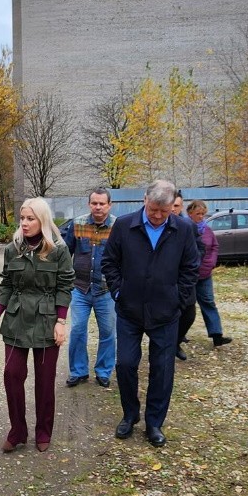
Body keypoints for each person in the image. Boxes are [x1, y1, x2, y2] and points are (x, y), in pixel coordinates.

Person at [101, 180, 200, 447]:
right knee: (125, 364)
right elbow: (109, 262)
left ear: (172, 208)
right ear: (145, 200)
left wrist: (178, 299)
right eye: (154, 209)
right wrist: (118, 292)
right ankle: (130, 414)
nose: (157, 216)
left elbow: (191, 267)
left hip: (166, 313)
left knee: (162, 369)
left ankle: (154, 422)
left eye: (164, 211)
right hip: (130, 310)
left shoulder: (183, 230)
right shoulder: (124, 225)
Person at [0, 198, 74, 453]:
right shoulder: (13, 248)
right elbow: (7, 283)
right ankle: (17, 430)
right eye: (22, 218)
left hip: (47, 320)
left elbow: (65, 286)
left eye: (30, 218)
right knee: (12, 374)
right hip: (16, 320)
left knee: (45, 380)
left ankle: (44, 430)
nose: (25, 223)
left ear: (42, 220)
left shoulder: (58, 249)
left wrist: (61, 322)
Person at [61, 187, 117, 388]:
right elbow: (66, 253)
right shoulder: (78, 224)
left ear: (109, 205)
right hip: (80, 288)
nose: (98, 207)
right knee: (77, 330)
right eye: (94, 203)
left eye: (102, 203)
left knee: (108, 331)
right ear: (89, 204)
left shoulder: (118, 227)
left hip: (106, 290)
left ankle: (103, 371)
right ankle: (78, 370)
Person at [187, 199, 233, 348]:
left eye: (203, 214)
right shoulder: (185, 229)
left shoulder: (207, 230)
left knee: (208, 302)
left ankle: (216, 335)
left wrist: (211, 262)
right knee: (187, 306)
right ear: (190, 213)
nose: (201, 217)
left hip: (205, 274)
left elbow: (214, 247)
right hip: (189, 275)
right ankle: (180, 335)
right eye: (198, 214)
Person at [172, 191, 203, 361]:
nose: (173, 209)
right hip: (166, 280)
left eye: (176, 206)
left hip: (185, 278)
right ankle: (166, 347)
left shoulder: (188, 225)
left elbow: (200, 247)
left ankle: (175, 341)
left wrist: (194, 265)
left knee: (189, 315)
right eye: (171, 205)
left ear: (181, 207)